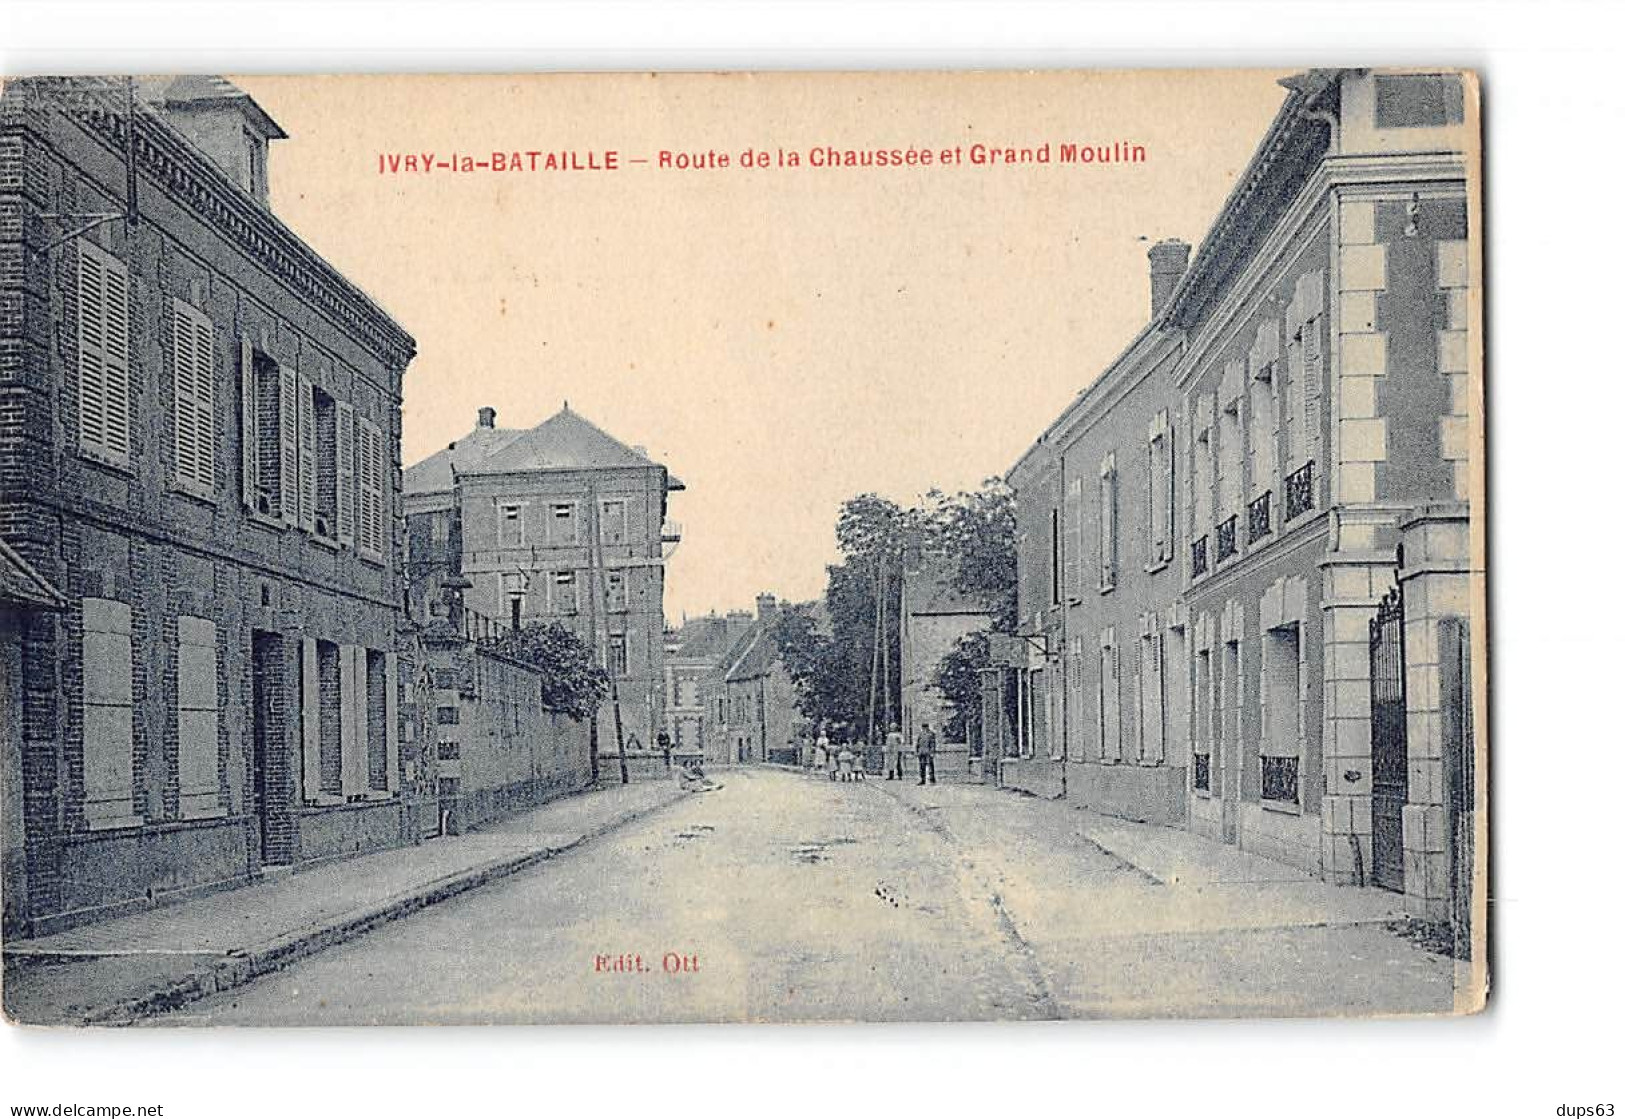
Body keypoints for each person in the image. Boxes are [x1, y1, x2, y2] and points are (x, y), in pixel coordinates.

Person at [916, 722, 938, 786]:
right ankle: (922, 780)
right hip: (921, 752)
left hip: (928, 752)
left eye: (925, 727)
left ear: (927, 727)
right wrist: (917, 751)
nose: (924, 729)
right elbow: (918, 743)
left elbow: (933, 744)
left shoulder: (931, 734)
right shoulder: (920, 734)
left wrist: (932, 752)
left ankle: (932, 780)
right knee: (922, 767)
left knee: (930, 766)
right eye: (923, 727)